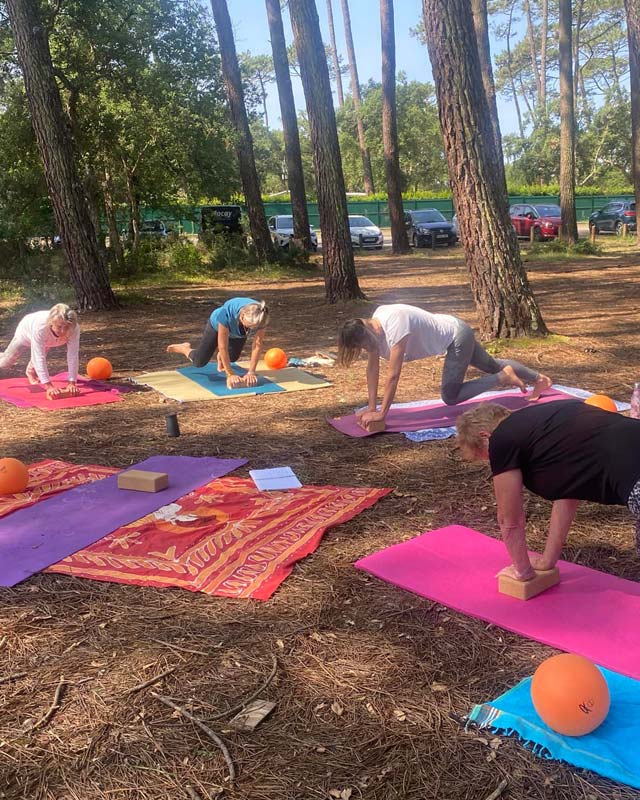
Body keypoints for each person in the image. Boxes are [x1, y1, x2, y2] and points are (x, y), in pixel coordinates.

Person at [456, 399, 640, 581]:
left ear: (485, 436)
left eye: (488, 458)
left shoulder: (501, 439)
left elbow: (510, 519)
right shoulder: (550, 423)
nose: (495, 464)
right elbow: (568, 493)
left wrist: (522, 571)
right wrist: (547, 561)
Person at [337, 303, 551, 429]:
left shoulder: (395, 325)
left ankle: (503, 378)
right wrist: (372, 407)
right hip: (455, 328)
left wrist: (382, 415)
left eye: (362, 345)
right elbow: (372, 370)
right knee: (491, 364)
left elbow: (393, 375)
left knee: (451, 395)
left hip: (455, 337)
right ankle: (540, 379)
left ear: (365, 331)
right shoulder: (373, 327)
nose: (365, 349)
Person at [166, 297, 269, 389]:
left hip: (237, 330)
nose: (251, 329)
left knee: (232, 358)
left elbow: (257, 345)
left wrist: (251, 372)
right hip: (216, 325)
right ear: (242, 316)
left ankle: (221, 357)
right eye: (249, 326)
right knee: (199, 362)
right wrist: (230, 374)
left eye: (254, 327)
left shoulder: (261, 316)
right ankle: (184, 348)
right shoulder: (226, 315)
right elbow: (222, 346)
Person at [0, 303, 80, 400]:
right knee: (5, 362)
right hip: (26, 332)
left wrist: (72, 382)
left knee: (43, 348)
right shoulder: (40, 327)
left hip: (47, 340)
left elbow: (73, 355)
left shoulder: (74, 328)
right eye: (59, 327)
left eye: (66, 327)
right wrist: (49, 386)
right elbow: (39, 356)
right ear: (51, 322)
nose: (63, 331)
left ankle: (30, 371)